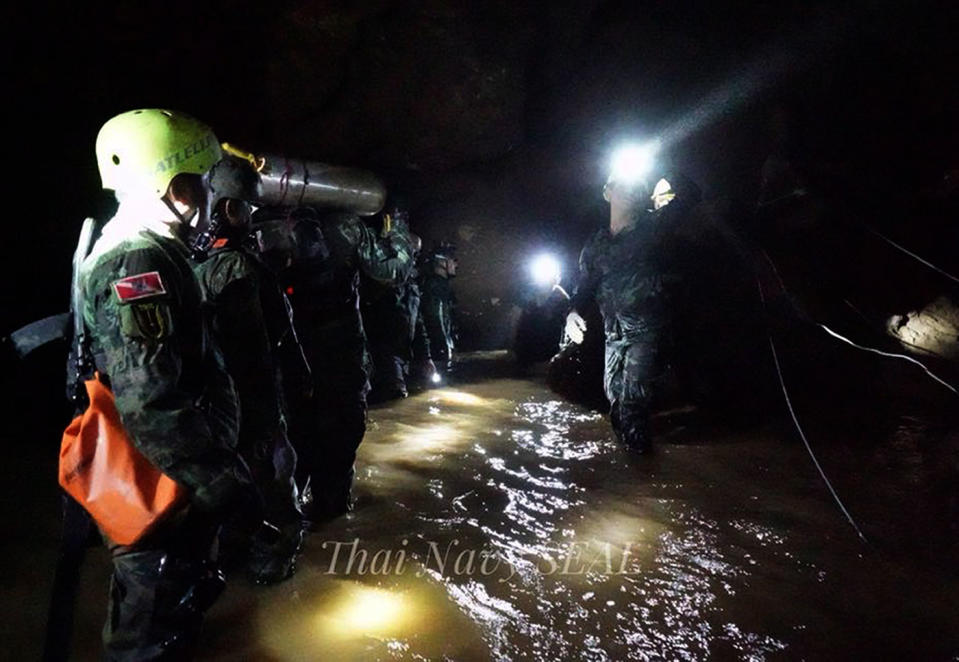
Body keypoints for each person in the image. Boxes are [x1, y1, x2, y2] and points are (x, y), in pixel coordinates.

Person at [82, 109, 258, 659]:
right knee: (149, 638)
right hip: (159, 487)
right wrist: (224, 484)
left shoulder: (152, 248)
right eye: (204, 181)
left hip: (170, 479)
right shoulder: (137, 259)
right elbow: (151, 400)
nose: (209, 194)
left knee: (171, 616)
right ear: (178, 188)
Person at [253, 204, 415, 523]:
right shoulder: (347, 229)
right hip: (339, 359)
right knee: (340, 440)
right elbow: (393, 270)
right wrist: (398, 230)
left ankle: (289, 523)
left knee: (295, 443)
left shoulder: (264, 232)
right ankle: (329, 520)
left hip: (292, 364)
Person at [192, 183, 307, 585]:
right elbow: (253, 350)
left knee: (235, 488)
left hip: (215, 408)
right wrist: (268, 416)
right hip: (250, 404)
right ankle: (273, 564)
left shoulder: (196, 263)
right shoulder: (237, 268)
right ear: (232, 210)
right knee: (274, 477)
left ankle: (234, 562)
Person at [565, 169, 688, 454]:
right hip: (614, 333)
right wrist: (572, 312)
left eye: (636, 187)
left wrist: (665, 168)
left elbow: (690, 194)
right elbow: (584, 285)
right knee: (615, 401)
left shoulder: (652, 227)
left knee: (633, 402)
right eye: (623, 186)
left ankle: (643, 477)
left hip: (646, 330)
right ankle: (633, 471)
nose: (630, 192)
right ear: (608, 192)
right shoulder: (596, 244)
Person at [419, 242, 458, 373]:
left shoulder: (442, 285)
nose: (456, 264)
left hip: (438, 347)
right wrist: (443, 345)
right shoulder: (435, 285)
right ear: (442, 263)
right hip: (436, 349)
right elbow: (435, 316)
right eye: (453, 260)